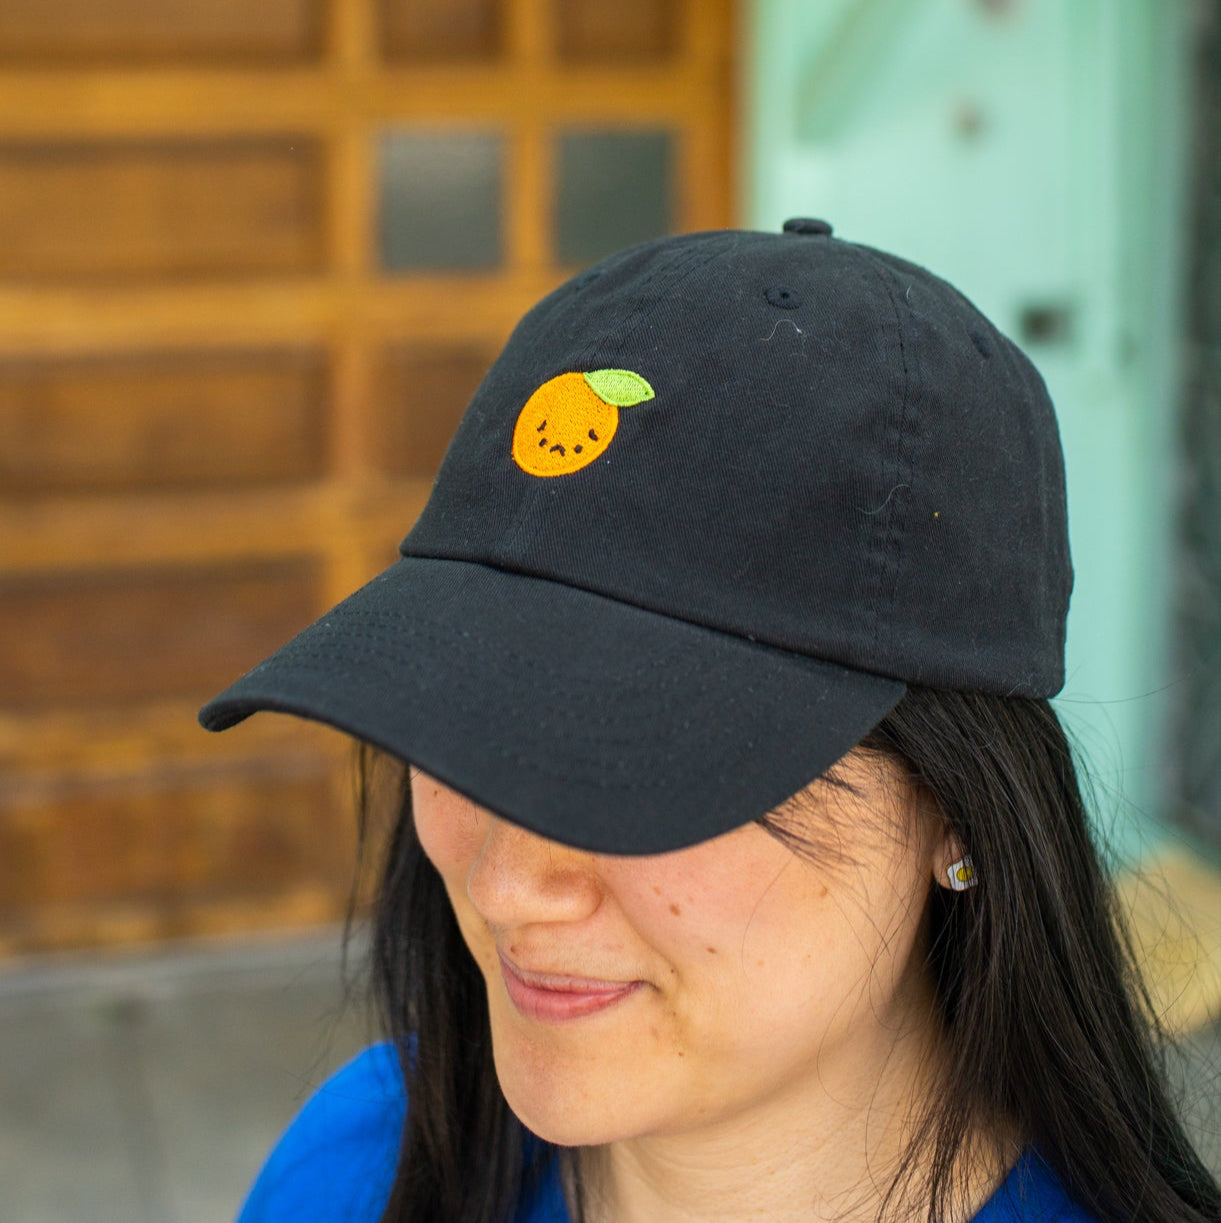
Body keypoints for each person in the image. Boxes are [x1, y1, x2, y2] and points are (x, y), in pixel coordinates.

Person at [200, 220, 1221, 1223]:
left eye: (641, 756)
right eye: (463, 720)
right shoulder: (360, 1157)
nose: (506, 885)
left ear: (957, 812)